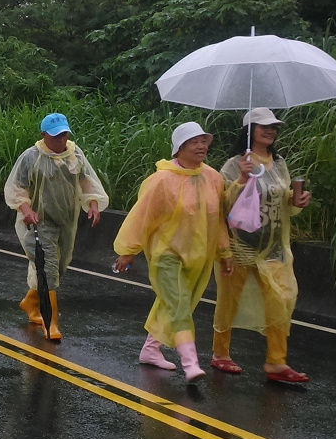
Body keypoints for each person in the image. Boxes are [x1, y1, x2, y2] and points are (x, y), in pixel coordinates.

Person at [113, 122, 234, 382]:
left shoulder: (213, 178)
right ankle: (190, 363)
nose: (201, 146)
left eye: (204, 140)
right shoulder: (161, 180)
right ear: (179, 148)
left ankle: (151, 349)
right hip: (166, 254)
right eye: (194, 142)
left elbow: (219, 219)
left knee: (176, 303)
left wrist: (225, 253)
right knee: (178, 305)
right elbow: (142, 217)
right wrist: (128, 250)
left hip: (198, 255)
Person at [210, 108, 312, 384]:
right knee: (229, 301)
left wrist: (296, 200)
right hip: (241, 244)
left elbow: (283, 200)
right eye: (263, 126)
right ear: (249, 130)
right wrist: (242, 180)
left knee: (282, 299)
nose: (270, 131)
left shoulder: (279, 163)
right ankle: (221, 353)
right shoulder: (234, 164)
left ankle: (277, 362)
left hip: (274, 247)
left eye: (274, 127)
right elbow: (221, 204)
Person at [3, 113, 108, 341]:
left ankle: (30, 302)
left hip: (66, 221)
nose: (61, 140)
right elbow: (16, 187)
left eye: (64, 134)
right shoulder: (31, 157)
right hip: (39, 223)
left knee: (58, 268)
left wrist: (93, 204)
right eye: (56, 136)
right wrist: (26, 209)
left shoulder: (75, 154)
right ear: (43, 136)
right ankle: (50, 323)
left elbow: (87, 180)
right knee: (48, 270)